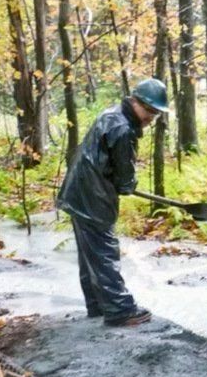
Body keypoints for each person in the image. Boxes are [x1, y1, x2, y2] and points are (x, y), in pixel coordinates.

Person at [57, 78, 169, 327]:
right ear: (136, 102)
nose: (151, 118)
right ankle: (119, 309)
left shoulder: (113, 115)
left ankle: (97, 304)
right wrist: (128, 185)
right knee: (104, 251)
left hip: (80, 192)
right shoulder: (122, 127)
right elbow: (123, 173)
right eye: (150, 111)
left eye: (156, 113)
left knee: (90, 253)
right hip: (92, 196)